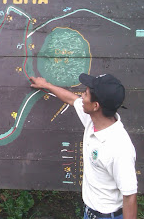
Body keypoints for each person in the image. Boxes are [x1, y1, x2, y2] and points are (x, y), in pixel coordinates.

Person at [30, 73, 137, 219]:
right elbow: (71, 99)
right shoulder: (94, 119)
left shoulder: (119, 147)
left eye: (85, 93)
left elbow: (130, 196)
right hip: (90, 212)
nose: (81, 96)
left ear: (96, 106)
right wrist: (46, 85)